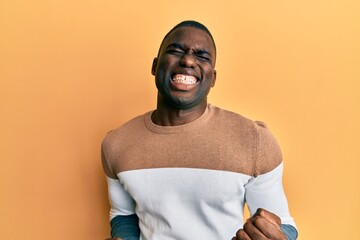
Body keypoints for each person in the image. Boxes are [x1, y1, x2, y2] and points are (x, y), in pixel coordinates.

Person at [101, 20, 298, 240]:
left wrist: (276, 236)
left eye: (202, 56)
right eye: (176, 51)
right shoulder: (117, 144)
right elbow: (124, 214)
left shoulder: (255, 141)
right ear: (155, 66)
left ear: (212, 78)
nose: (187, 60)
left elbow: (285, 224)